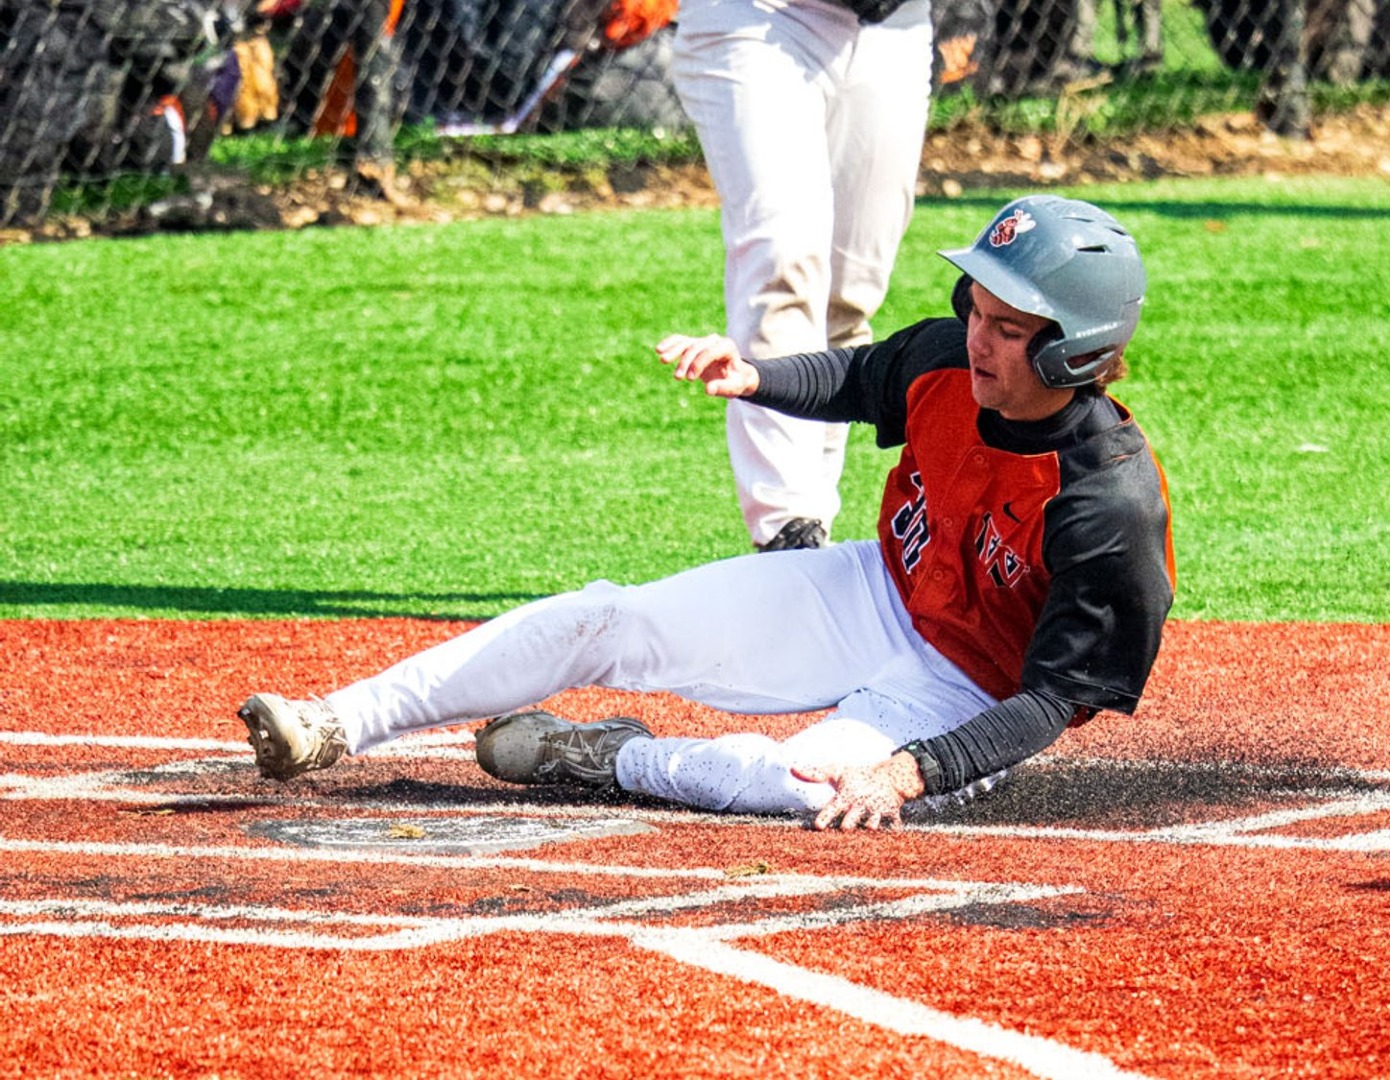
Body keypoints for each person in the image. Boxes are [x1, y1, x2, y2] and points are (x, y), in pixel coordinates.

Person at [236, 195, 1174, 830]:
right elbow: (857, 375)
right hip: (873, 592)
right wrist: (756, 374)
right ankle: (333, 723)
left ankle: (605, 759)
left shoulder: (1107, 502)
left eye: (1008, 329)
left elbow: (1052, 699)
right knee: (605, 615)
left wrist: (912, 770)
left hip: (968, 692)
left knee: (807, 787)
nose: (978, 336)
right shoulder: (944, 360)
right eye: (977, 308)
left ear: (1072, 354)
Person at [670, 0, 935, 552]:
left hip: (893, 25)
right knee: (782, 254)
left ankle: (811, 524)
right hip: (757, 16)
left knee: (849, 294)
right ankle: (788, 529)